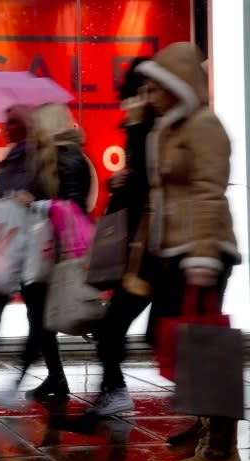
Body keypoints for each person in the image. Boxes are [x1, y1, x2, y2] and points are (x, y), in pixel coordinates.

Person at [136, 42, 241, 461]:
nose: (148, 95)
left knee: (206, 351)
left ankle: (220, 451)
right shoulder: (170, 128)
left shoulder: (202, 125)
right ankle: (206, 429)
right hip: (178, 253)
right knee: (182, 346)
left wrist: (202, 255)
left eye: (155, 88)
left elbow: (208, 192)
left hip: (203, 251)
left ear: (177, 87)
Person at [0, 103, 91, 399]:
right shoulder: (47, 157)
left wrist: (31, 201)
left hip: (44, 249)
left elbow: (67, 204)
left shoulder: (61, 158)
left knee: (43, 317)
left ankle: (22, 382)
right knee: (35, 316)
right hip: (34, 246)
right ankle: (53, 378)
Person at [86, 58, 157, 416]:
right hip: (143, 247)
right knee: (114, 323)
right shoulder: (142, 130)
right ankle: (111, 390)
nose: (143, 97)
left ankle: (113, 391)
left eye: (149, 89)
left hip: (161, 249)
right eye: (139, 90)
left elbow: (174, 184)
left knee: (187, 338)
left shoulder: (162, 130)